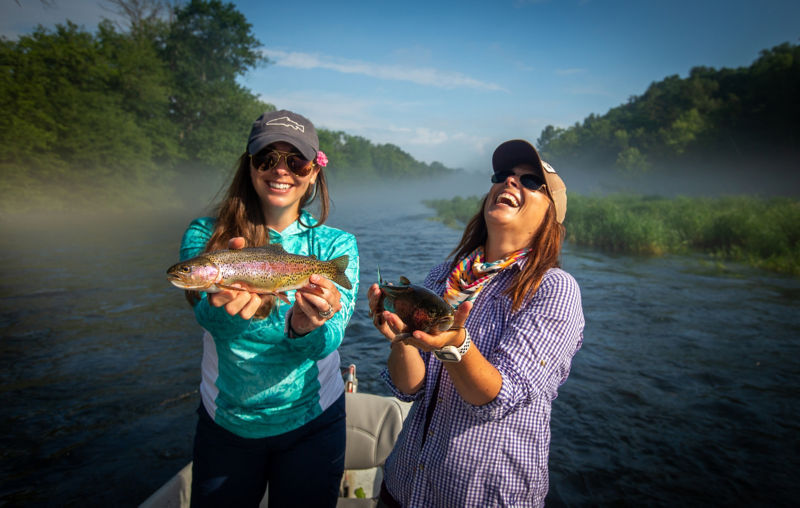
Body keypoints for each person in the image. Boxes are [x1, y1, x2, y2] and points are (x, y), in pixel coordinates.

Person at [368, 139, 584, 507]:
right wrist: (401, 339)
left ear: (551, 216)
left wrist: (455, 346)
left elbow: (496, 398)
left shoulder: (554, 289)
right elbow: (410, 389)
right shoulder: (444, 277)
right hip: (404, 487)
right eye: (503, 176)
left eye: (530, 182)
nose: (510, 183)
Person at [177, 109, 359, 507]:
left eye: (296, 161)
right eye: (267, 159)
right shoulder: (206, 236)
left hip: (313, 421)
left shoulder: (337, 246)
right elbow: (205, 316)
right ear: (250, 166)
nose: (281, 171)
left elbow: (329, 340)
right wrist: (220, 300)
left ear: (313, 171)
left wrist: (305, 326)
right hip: (226, 424)